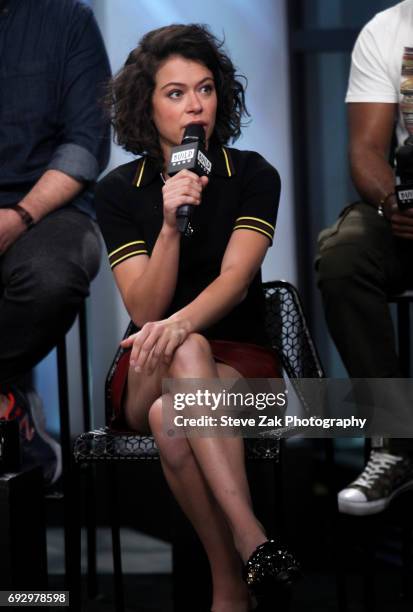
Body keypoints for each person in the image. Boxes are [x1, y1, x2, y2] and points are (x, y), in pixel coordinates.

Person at [96, 23, 300, 612]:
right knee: (179, 358)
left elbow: (236, 284)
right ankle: (252, 538)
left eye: (206, 89)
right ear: (147, 105)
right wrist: (167, 224)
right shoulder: (120, 191)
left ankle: (229, 584)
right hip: (149, 364)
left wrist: (184, 328)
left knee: (172, 412)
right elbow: (144, 311)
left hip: (244, 368)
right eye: (176, 92)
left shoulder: (252, 174)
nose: (195, 106)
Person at [0, 0, 110, 485]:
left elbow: (87, 143)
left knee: (52, 277)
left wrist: (20, 215)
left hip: (48, 206)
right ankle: (8, 397)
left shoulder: (68, 20)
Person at [316, 0, 413, 516]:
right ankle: (395, 441)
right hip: (410, 212)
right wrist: (392, 201)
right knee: (343, 254)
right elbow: (367, 148)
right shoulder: (389, 28)